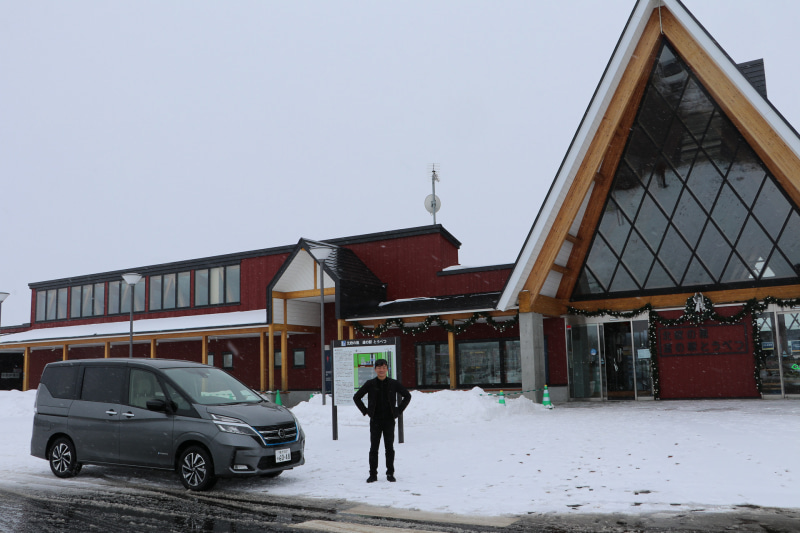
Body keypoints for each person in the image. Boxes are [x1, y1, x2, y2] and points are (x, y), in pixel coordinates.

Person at [353, 358, 411, 483]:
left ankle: (390, 473)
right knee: (374, 448)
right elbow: (357, 397)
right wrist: (366, 411)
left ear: (387, 369)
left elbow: (407, 395)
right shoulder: (370, 383)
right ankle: (373, 474)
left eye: (384, 367)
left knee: (389, 448)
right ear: (375, 369)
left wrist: (398, 410)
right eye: (379, 368)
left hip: (389, 420)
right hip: (375, 420)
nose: (381, 370)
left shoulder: (393, 383)